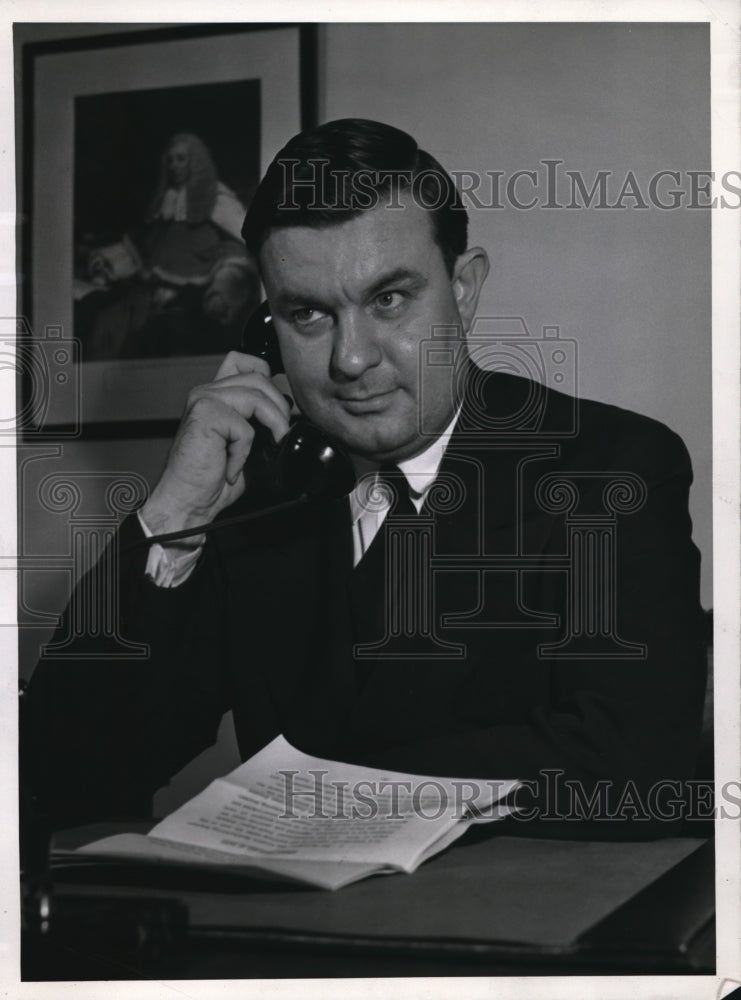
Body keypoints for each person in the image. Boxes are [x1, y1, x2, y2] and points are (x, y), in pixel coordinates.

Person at [23, 119, 707, 837]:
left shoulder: (611, 468)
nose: (350, 359)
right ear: (267, 328)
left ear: (464, 289)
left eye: (388, 300)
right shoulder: (255, 497)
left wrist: (315, 799)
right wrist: (173, 514)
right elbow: (66, 770)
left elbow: (633, 762)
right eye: (308, 313)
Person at [82, 132, 258, 359]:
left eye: (181, 159)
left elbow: (241, 245)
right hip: (148, 292)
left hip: (192, 294)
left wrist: (223, 289)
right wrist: (108, 263)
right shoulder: (165, 202)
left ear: (196, 161)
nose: (174, 166)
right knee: (108, 324)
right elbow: (143, 247)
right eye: (170, 160)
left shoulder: (216, 199)